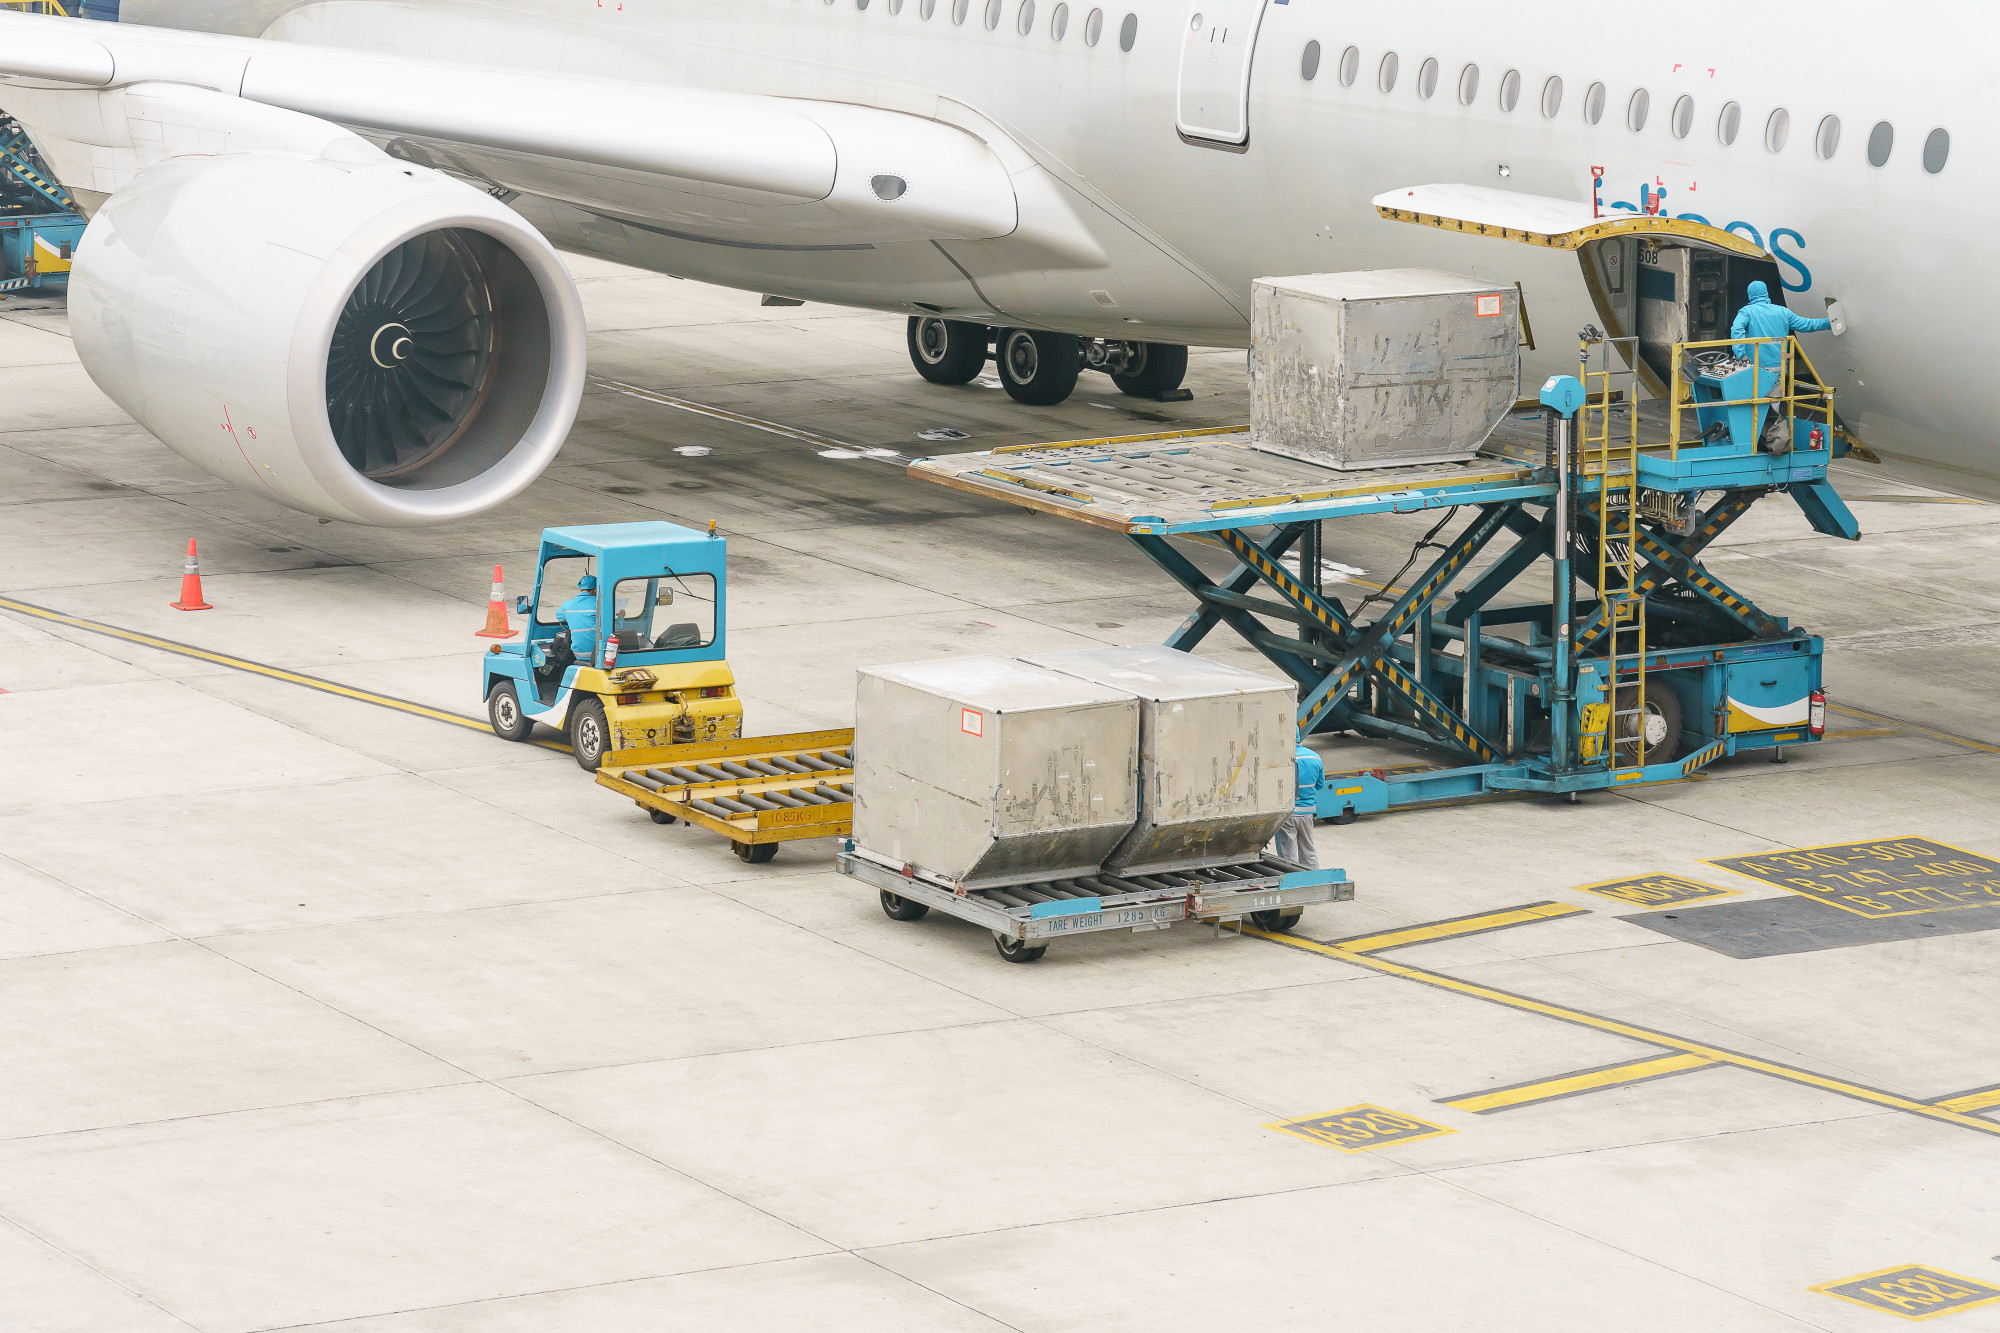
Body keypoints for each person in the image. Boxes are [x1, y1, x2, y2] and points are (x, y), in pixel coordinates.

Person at [1730, 280, 1831, 362]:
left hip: (1754, 367)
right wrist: (1828, 322)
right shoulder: (1784, 312)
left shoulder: (1746, 312)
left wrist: (1740, 354)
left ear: (1750, 295)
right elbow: (1806, 325)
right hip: (1779, 366)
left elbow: (1736, 328)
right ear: (1766, 293)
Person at [1273, 742, 1324, 870]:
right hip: (1308, 813)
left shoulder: (1282, 758)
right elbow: (1320, 785)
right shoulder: (1315, 757)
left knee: (1287, 854)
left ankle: (1292, 881)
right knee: (1308, 850)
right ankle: (1313, 878)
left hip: (1288, 814)